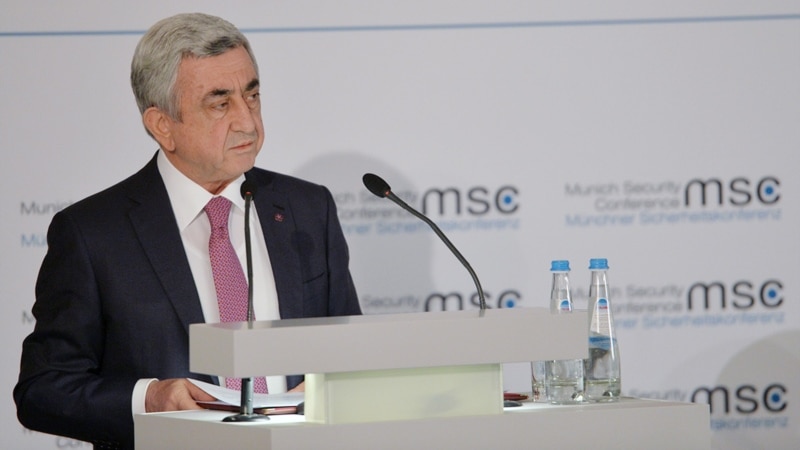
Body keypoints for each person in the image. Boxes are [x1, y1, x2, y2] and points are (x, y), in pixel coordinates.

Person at [14, 12, 361, 449]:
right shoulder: (92, 234)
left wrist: (331, 386)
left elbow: (354, 354)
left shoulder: (307, 209)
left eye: (252, 96)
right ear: (162, 125)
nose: (248, 122)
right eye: (220, 104)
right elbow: (43, 390)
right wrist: (149, 398)